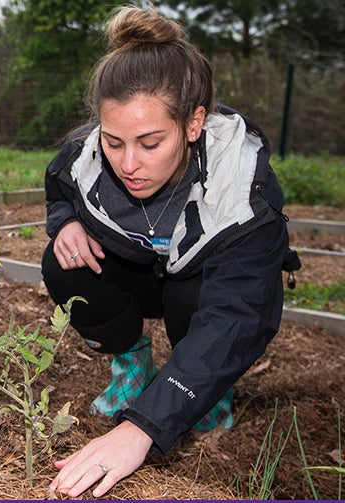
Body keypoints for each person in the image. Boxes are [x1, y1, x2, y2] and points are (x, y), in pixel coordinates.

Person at [42, 5, 300, 498]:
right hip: (135, 271)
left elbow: (236, 313)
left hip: (199, 287)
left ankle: (204, 388)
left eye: (150, 142)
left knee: (200, 299)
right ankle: (132, 364)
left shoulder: (244, 190)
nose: (128, 163)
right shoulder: (86, 153)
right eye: (114, 142)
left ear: (194, 123)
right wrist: (66, 222)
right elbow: (60, 186)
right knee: (63, 260)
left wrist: (141, 428)